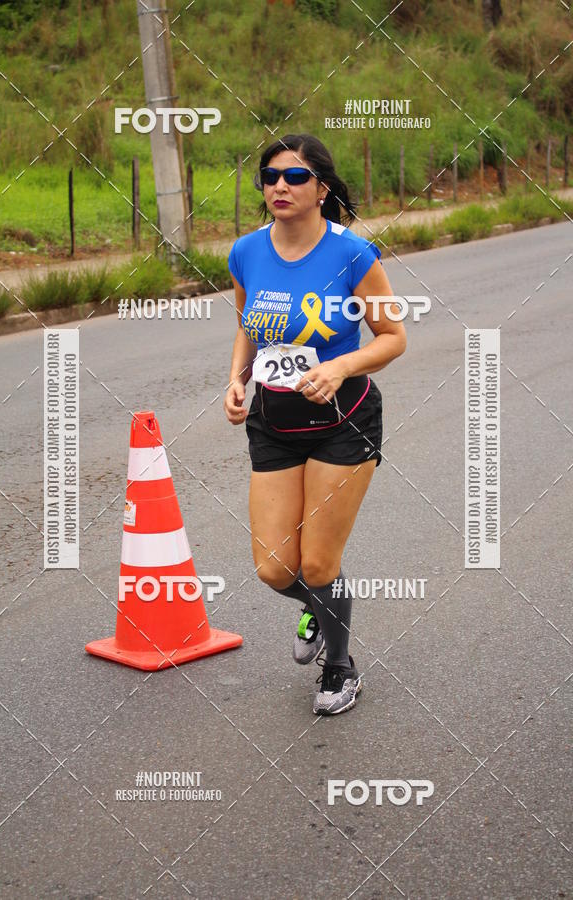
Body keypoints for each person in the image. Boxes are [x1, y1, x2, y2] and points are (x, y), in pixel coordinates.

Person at [224, 133, 406, 715]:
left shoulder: (352, 255)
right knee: (275, 568)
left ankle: (340, 666)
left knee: (318, 564)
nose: (280, 185)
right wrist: (237, 379)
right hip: (273, 420)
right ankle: (319, 607)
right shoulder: (246, 252)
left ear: (322, 190)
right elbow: (249, 326)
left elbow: (394, 338)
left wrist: (339, 367)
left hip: (342, 420)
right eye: (271, 176)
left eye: (296, 177)